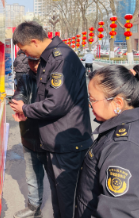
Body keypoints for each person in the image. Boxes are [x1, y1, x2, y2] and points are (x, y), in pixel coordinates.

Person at [9, 22, 93, 218]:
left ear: (34, 41)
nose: (25, 53)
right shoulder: (51, 58)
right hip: (55, 140)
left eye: (24, 49)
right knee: (59, 197)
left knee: (68, 199)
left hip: (66, 141)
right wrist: (27, 112)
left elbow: (56, 104)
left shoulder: (60, 58)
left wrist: (26, 109)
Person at [75, 65, 139, 218]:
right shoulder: (137, 121)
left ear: (117, 103)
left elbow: (118, 213)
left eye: (92, 99)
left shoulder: (126, 148)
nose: (89, 104)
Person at [12, 55, 47, 218]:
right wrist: (19, 106)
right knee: (32, 173)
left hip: (49, 136)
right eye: (31, 61)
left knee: (57, 177)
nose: (34, 65)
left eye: (38, 61)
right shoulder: (24, 79)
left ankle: (63, 208)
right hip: (29, 134)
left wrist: (25, 109)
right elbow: (18, 97)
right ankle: (34, 206)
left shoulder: (52, 81)